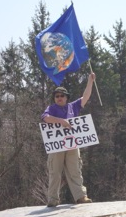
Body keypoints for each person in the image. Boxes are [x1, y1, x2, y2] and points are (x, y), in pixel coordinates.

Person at [41, 72, 96, 207]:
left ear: (66, 97)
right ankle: (52, 199)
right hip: (57, 147)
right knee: (55, 172)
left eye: (62, 96)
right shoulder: (51, 108)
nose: (59, 98)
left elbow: (86, 97)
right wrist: (61, 121)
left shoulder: (73, 106)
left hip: (72, 145)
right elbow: (45, 118)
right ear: (54, 98)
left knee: (75, 171)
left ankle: (81, 197)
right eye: (57, 96)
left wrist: (90, 81)